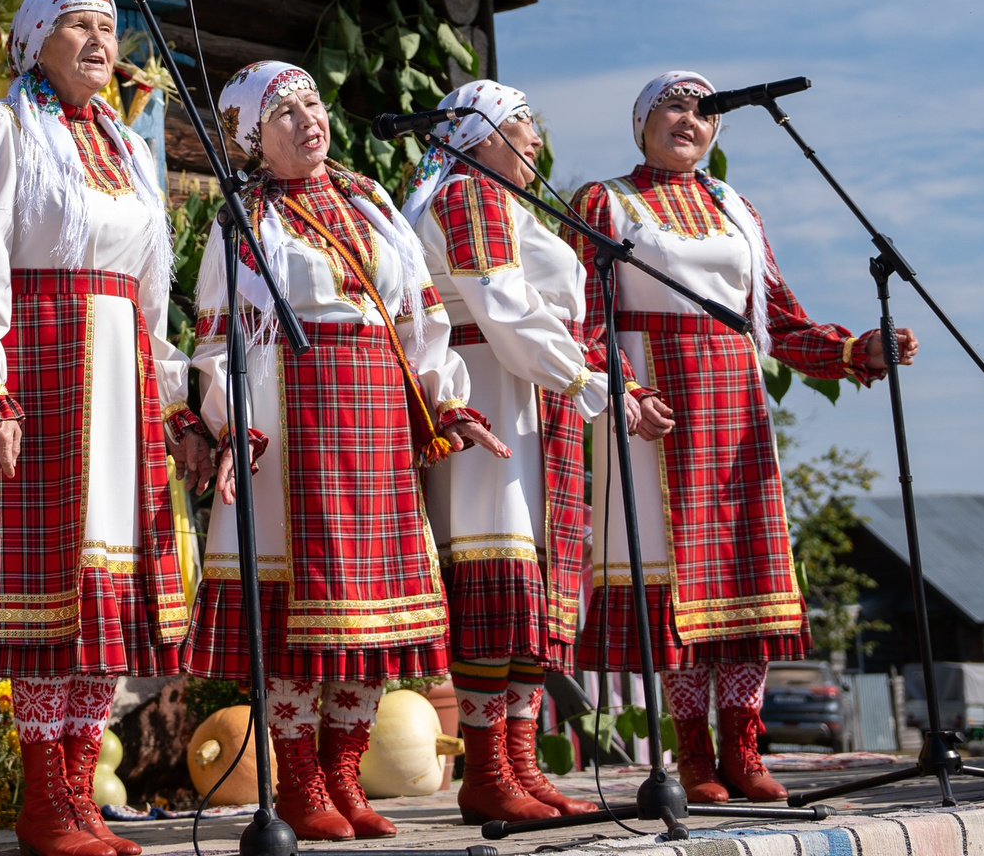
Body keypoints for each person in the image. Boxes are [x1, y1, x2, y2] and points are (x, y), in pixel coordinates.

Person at [176, 60, 505, 843]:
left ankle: (346, 780)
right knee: (303, 616)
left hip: (377, 416)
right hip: (295, 420)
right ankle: (299, 788)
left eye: (313, 102)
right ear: (254, 139)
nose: (308, 119)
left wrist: (445, 398)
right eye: (284, 112)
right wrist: (237, 423)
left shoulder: (370, 198)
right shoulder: (244, 215)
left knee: (371, 621)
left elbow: (418, 311)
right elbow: (218, 338)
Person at [568, 72, 914, 804]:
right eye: (671, 103)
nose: (688, 117)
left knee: (744, 573)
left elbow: (779, 320)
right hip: (656, 398)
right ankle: (693, 754)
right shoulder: (605, 200)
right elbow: (581, 317)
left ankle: (744, 747)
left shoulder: (735, 206)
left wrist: (857, 351)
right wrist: (623, 390)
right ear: (640, 123)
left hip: (735, 401)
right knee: (678, 575)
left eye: (702, 108)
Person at [0, 0, 184, 856]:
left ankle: (80, 797)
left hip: (120, 378)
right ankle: (44, 804)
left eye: (110, 28)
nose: (99, 40)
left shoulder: (129, 149)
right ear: (35, 37)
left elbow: (153, 298)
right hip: (43, 368)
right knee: (49, 595)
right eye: (79, 23)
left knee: (103, 593)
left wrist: (175, 396)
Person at [403, 80, 638, 823]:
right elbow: (502, 301)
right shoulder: (467, 195)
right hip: (494, 390)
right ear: (478, 134)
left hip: (531, 394)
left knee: (528, 587)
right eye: (522, 125)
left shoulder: (502, 201)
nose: (537, 140)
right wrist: (587, 380)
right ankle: (486, 770)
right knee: (495, 575)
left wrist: (582, 380)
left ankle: (521, 762)